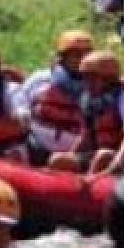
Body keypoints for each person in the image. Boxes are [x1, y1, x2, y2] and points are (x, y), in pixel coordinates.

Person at [48, 50, 124, 175]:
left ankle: (89, 186)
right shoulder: (91, 102)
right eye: (84, 77)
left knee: (104, 155)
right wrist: (70, 156)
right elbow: (85, 139)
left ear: (109, 79)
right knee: (58, 159)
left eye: (91, 78)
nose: (86, 83)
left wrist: (116, 165)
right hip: (100, 157)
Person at [19, 29, 95, 166]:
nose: (83, 60)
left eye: (87, 55)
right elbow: (20, 107)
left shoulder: (99, 86)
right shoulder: (40, 79)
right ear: (63, 57)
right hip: (37, 145)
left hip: (77, 151)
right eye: (77, 55)